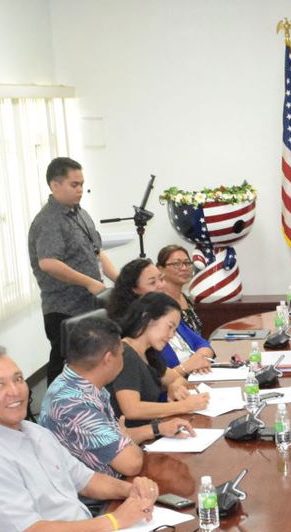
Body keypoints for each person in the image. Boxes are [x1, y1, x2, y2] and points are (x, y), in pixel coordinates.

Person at [0, 345, 160, 532]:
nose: (15, 391)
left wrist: (131, 490)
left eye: (18, 379)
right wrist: (113, 521)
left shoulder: (33, 431)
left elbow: (85, 480)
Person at [40, 315, 193, 476]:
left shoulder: (76, 381)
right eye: (121, 353)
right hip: (99, 498)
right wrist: (125, 437)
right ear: (108, 359)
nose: (123, 359)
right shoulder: (76, 405)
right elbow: (131, 464)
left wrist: (157, 429)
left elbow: (115, 439)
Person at [28, 156, 116, 383]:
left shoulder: (80, 214)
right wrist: (88, 282)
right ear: (55, 185)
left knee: (91, 365)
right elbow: (48, 262)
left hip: (89, 305)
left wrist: (119, 279)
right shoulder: (49, 220)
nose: (80, 190)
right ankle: (55, 416)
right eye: (74, 185)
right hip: (64, 309)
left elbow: (96, 252)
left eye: (82, 185)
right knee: (64, 369)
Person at [110, 296, 209, 431]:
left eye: (174, 330)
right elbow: (132, 410)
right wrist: (185, 406)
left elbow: (178, 379)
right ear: (147, 318)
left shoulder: (148, 353)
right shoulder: (126, 354)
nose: (172, 335)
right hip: (130, 439)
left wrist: (174, 386)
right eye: (170, 327)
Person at [106, 257, 212, 375]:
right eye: (152, 282)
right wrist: (187, 367)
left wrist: (198, 361)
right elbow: (153, 381)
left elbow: (203, 344)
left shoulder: (168, 311)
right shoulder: (135, 332)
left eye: (161, 279)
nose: (161, 285)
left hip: (195, 377)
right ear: (134, 290)